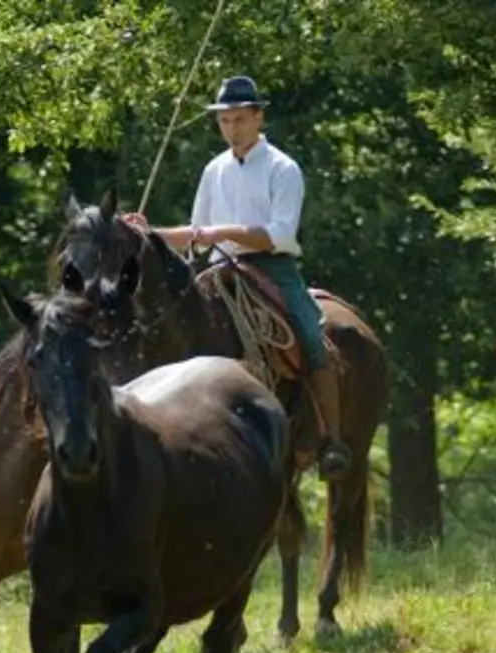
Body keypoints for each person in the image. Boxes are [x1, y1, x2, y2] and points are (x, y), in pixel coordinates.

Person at [123, 74, 350, 480]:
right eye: (225, 121)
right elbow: (195, 233)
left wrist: (223, 232)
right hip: (218, 270)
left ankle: (332, 439)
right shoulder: (214, 170)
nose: (232, 129)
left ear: (259, 117)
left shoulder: (284, 168)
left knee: (313, 337)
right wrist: (147, 232)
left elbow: (280, 234)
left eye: (240, 119)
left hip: (272, 267)